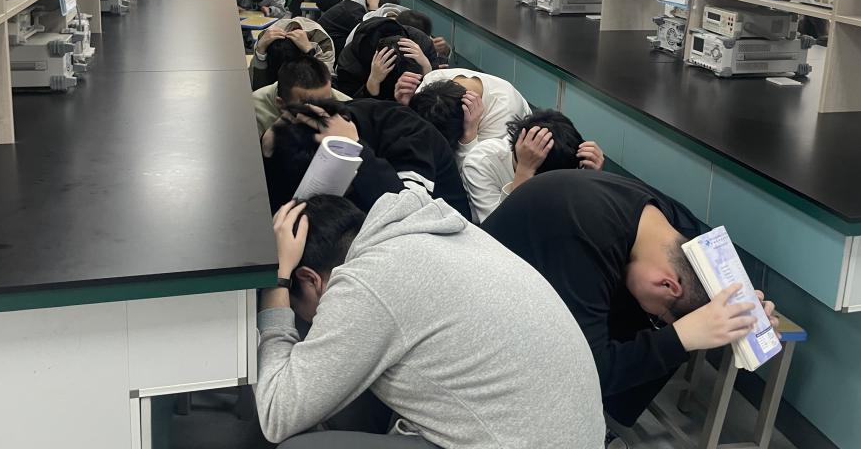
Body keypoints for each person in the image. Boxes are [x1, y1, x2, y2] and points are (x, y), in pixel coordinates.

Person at [255, 192, 606, 448]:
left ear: (310, 279)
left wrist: (277, 284)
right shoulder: (428, 228)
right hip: (572, 432)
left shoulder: (368, 282)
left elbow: (276, 414)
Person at [482, 170, 779, 428]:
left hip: (557, 252)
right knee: (670, 338)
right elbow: (586, 370)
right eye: (658, 314)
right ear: (667, 284)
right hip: (496, 300)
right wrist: (681, 336)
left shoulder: (679, 227)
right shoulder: (587, 242)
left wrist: (745, 312)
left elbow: (705, 282)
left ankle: (609, 419)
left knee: (667, 333)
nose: (655, 317)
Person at [262, 97, 471, 221]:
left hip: (442, 236)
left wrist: (356, 148)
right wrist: (266, 150)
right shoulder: (316, 126)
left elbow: (409, 213)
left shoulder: (409, 134)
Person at [460, 109, 606, 223]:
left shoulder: (561, 160)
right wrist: (524, 172)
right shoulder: (481, 163)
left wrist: (592, 179)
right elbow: (500, 233)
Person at [395, 68, 530, 156]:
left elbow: (476, 174)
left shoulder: (504, 112)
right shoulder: (433, 79)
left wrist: (469, 136)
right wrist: (404, 109)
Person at [335, 16, 438, 100]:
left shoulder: (422, 44)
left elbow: (438, 98)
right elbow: (351, 107)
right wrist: (372, 84)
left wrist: (428, 71)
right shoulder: (349, 64)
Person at [253, 55, 350, 137]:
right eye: (309, 106)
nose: (320, 112)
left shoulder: (345, 104)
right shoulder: (254, 110)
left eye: (326, 104)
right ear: (281, 104)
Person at [252, 18, 336, 91]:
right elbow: (258, 89)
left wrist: (310, 52)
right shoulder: (264, 41)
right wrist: (260, 53)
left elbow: (323, 86)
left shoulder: (323, 44)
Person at [317, 0, 400, 58]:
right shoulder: (353, 13)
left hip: (327, 43)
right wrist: (374, 10)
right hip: (325, 50)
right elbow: (370, 31)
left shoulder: (355, 4)